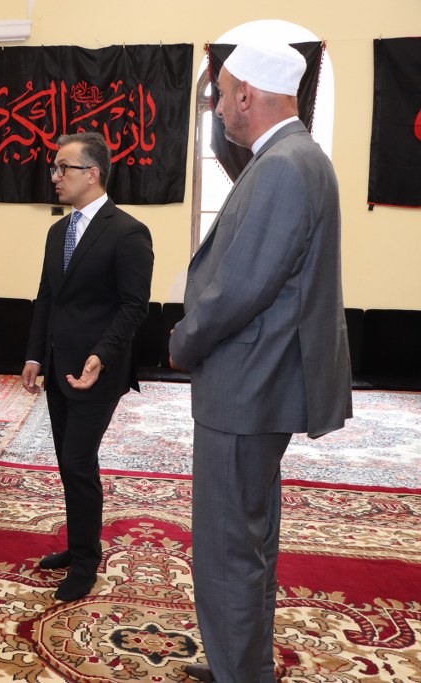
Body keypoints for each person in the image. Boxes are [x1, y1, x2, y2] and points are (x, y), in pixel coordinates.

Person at [168, 43, 352, 683]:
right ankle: (241, 664)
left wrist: (183, 340)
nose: (218, 108)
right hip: (261, 383)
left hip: (247, 385)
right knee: (248, 538)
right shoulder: (296, 157)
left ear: (246, 94)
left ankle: (239, 674)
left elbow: (241, 288)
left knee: (227, 547)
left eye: (221, 95)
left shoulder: (282, 166)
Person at [22, 132, 153, 601]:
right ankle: (79, 546)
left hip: (99, 370)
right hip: (59, 366)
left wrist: (101, 355)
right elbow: (47, 298)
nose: (55, 176)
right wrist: (34, 354)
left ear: (93, 173)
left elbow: (134, 307)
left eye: (64, 168)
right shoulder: (58, 232)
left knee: (78, 461)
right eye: (54, 168)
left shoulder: (128, 231)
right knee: (70, 462)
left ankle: (85, 564)